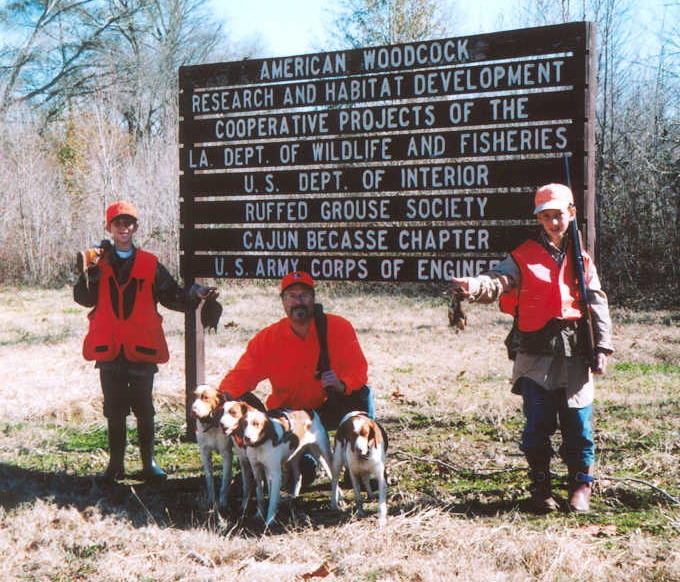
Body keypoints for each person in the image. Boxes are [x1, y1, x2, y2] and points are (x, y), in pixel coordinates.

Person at [452, 183, 614, 513]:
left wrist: (602, 347)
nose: (553, 223)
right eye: (546, 217)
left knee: (579, 427)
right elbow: (499, 280)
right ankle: (540, 487)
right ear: (538, 219)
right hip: (535, 355)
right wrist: (475, 287)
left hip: (575, 354)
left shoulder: (583, 258)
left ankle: (581, 485)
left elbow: (597, 304)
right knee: (536, 426)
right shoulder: (523, 255)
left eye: (559, 215)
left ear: (571, 214)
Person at [74, 200, 216, 483]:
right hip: (109, 349)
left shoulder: (150, 263)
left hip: (142, 348)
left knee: (144, 409)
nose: (123, 228)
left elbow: (172, 296)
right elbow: (84, 300)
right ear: (109, 227)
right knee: (113, 409)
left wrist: (195, 295)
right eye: (118, 224)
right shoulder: (96, 261)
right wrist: (84, 275)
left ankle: (148, 464)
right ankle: (115, 466)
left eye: (128, 223)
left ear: (135, 227)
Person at [218, 270, 373, 429]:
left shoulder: (338, 327)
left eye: (304, 295)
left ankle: (363, 446)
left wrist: (341, 384)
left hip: (327, 410)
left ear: (313, 299)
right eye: (292, 296)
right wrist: (221, 398)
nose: (299, 302)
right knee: (238, 398)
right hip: (285, 415)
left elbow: (358, 370)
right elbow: (243, 374)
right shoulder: (269, 338)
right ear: (283, 300)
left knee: (363, 394)